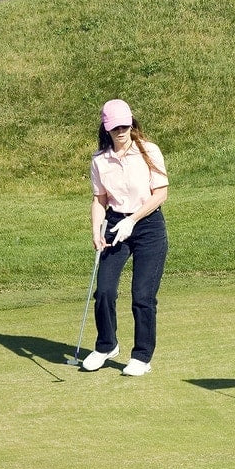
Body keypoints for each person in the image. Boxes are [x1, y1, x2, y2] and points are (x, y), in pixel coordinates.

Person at [82, 99, 169, 376]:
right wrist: (96, 231)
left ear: (131, 124)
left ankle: (142, 356)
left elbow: (161, 194)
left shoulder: (149, 151)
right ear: (106, 128)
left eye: (124, 125)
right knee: (104, 291)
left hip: (148, 225)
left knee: (142, 295)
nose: (120, 131)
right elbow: (99, 199)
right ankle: (106, 345)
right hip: (115, 224)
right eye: (115, 127)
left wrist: (133, 220)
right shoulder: (100, 160)